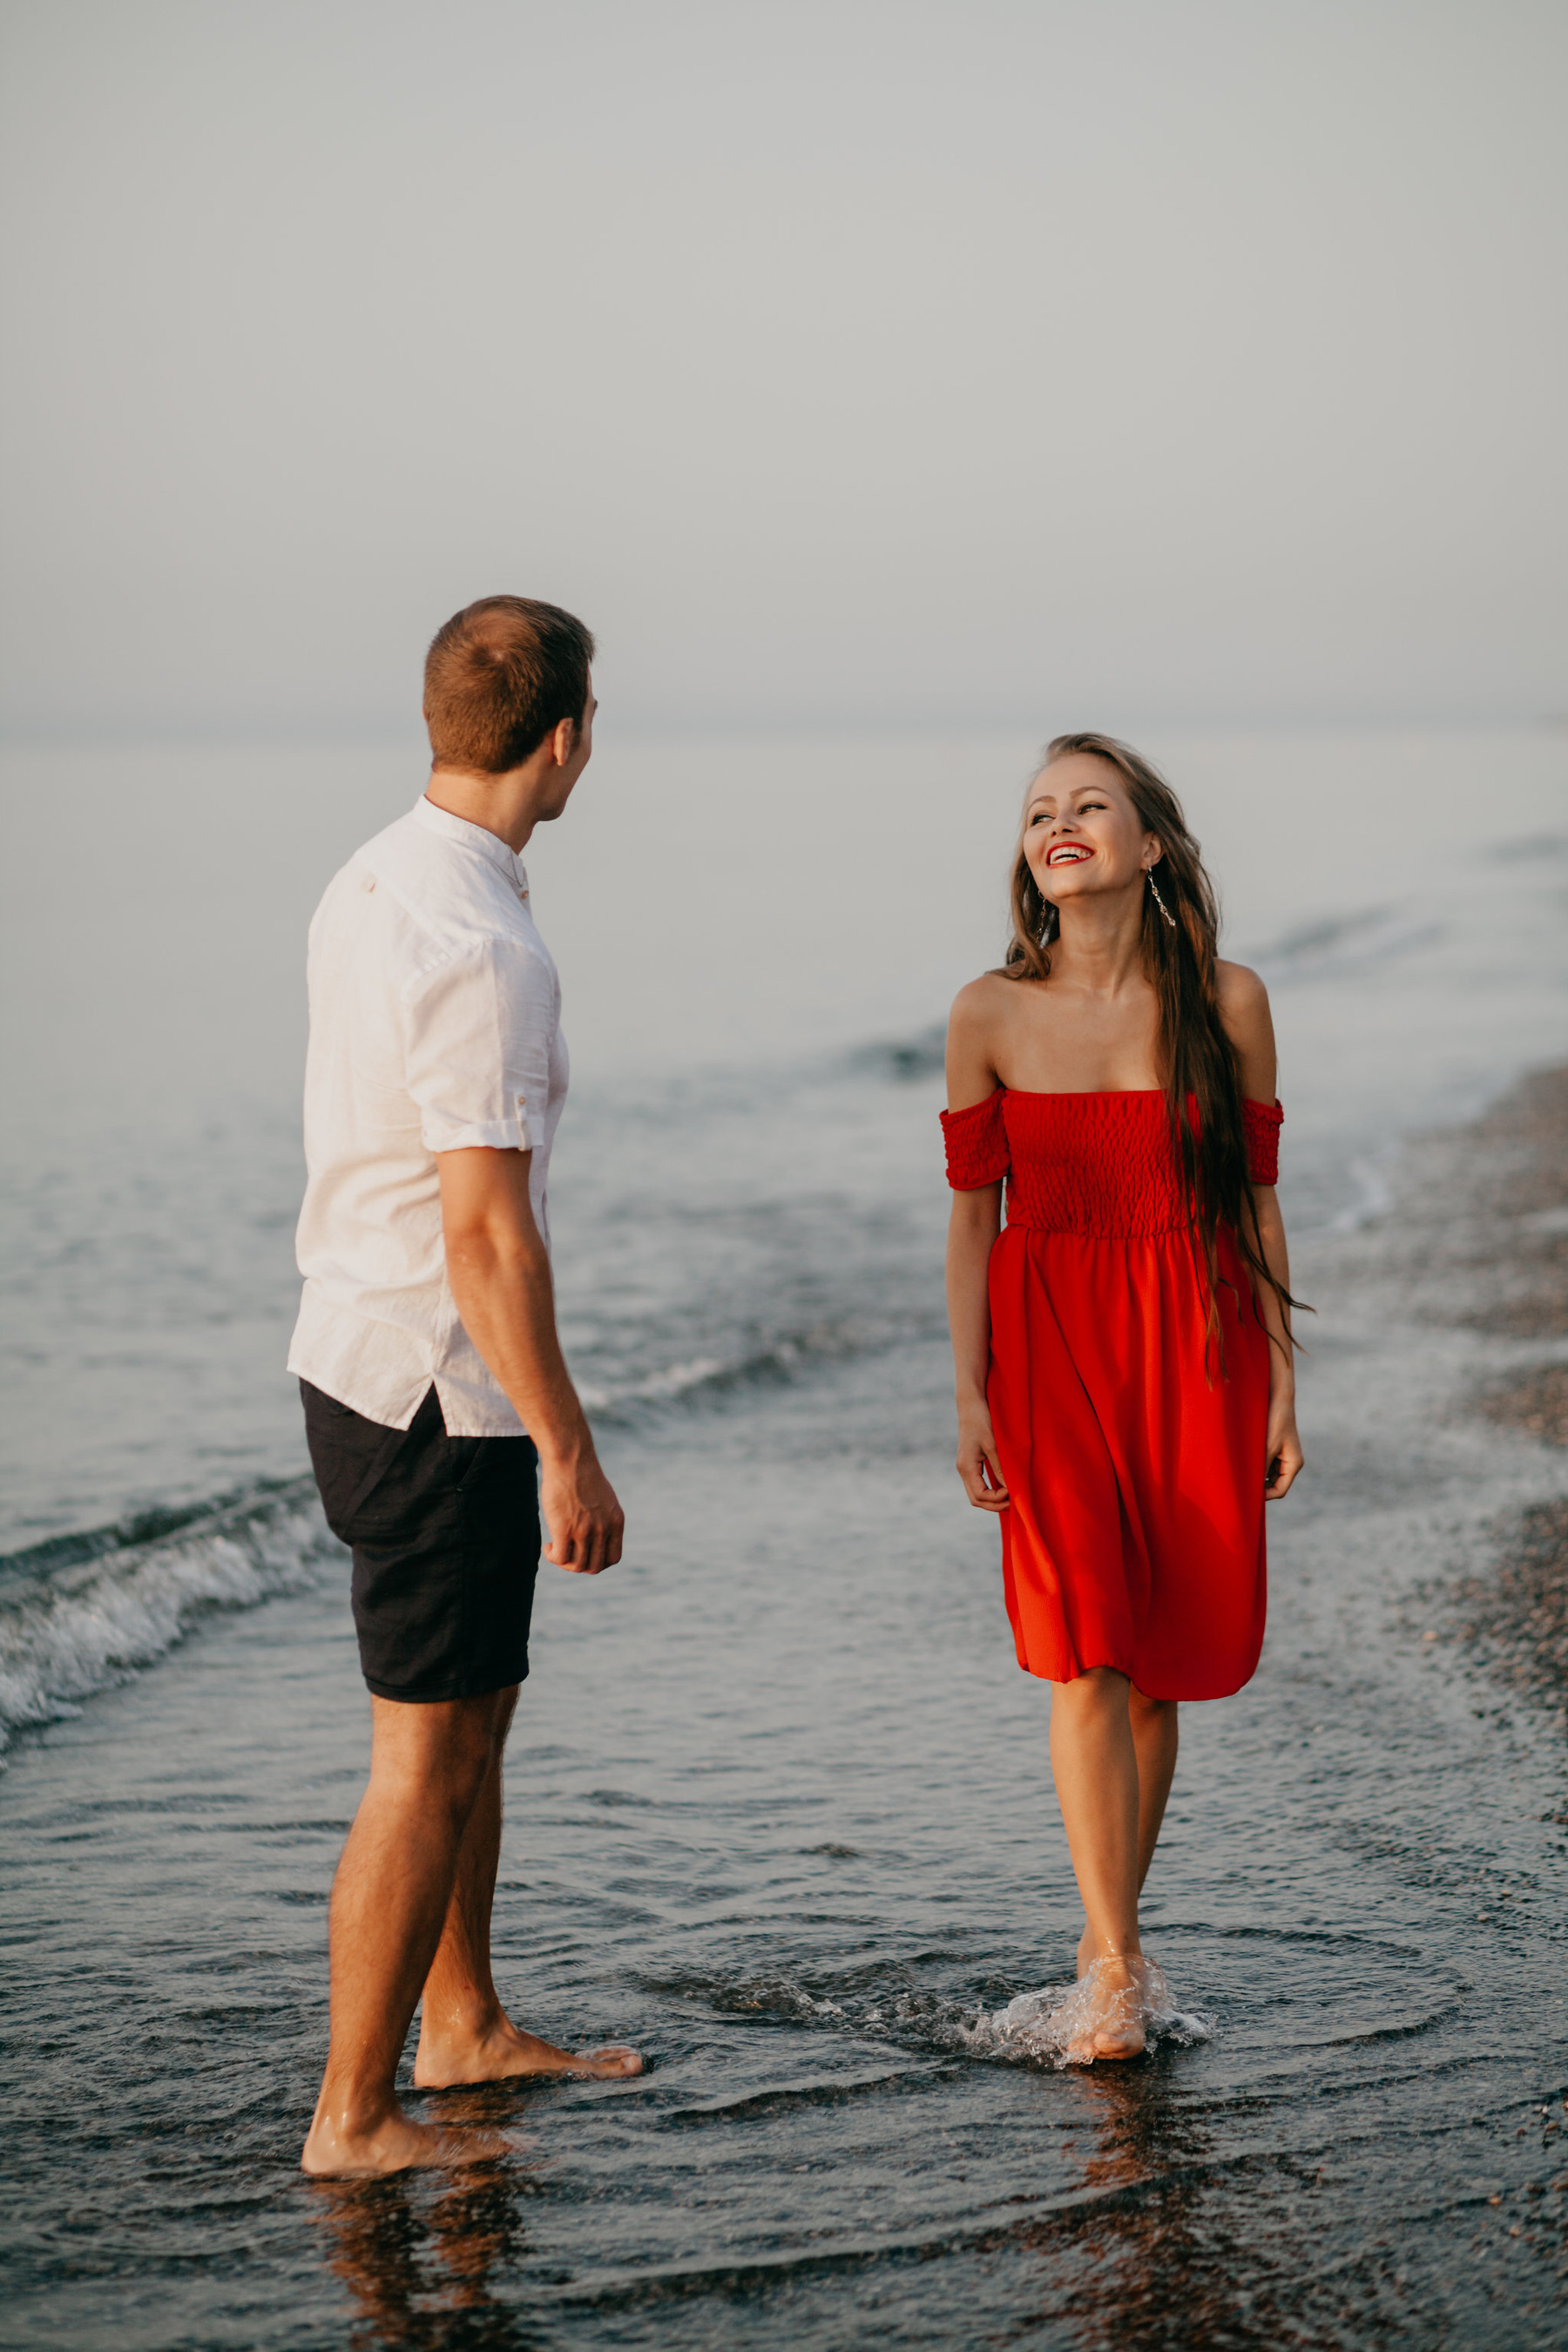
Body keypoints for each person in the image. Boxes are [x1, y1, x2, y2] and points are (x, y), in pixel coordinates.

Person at [288, 595, 640, 2178]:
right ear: (563, 740)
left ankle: (465, 2024)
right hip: (438, 1389)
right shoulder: (487, 946)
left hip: (362, 1353)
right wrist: (568, 1447)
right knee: (423, 1757)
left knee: (475, 1717)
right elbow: (487, 1234)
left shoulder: (376, 875)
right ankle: (355, 2116)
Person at [942, 732, 1303, 2064]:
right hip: (1048, 1353)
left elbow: (1256, 1196)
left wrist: (1278, 1385)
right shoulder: (986, 1011)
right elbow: (972, 1226)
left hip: (1201, 1342)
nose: (1060, 823)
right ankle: (1116, 1962)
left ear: (1150, 845)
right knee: (1086, 1643)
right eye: (1041, 811)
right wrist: (969, 1393)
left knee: (1156, 1670)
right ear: (1032, 858)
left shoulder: (1230, 1000)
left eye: (1090, 804)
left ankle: (1108, 1939)